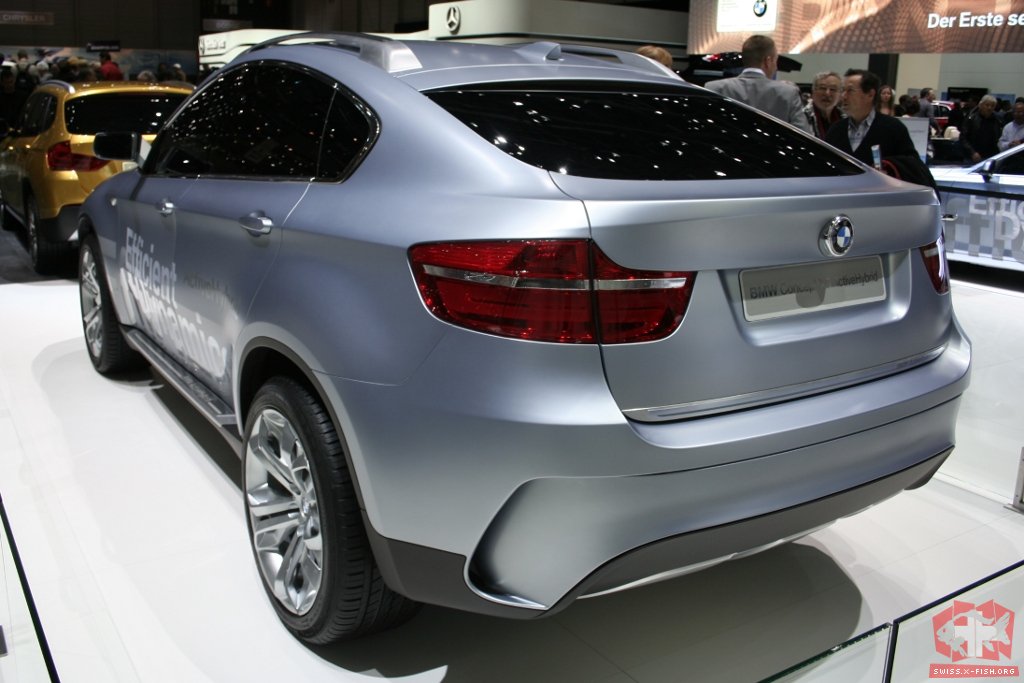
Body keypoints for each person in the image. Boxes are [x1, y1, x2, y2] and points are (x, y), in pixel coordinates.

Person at [704, 35, 812, 133]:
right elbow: (804, 136)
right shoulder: (788, 93)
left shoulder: (714, 88)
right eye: (776, 61)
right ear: (768, 61)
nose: (776, 67)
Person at [825, 69, 918, 168]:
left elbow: (914, 165)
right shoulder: (836, 130)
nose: (843, 96)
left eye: (850, 90)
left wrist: (889, 168)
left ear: (870, 94)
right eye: (843, 90)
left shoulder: (894, 128)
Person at [960, 95, 1002, 163]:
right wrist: (972, 152)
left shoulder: (997, 120)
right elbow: (963, 138)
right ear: (980, 105)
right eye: (987, 105)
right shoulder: (971, 118)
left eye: (992, 106)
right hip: (972, 157)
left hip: (990, 157)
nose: (989, 108)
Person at [803, 71, 842, 139]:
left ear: (840, 94)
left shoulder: (844, 117)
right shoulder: (803, 115)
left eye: (833, 89)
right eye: (822, 88)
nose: (827, 93)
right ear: (813, 91)